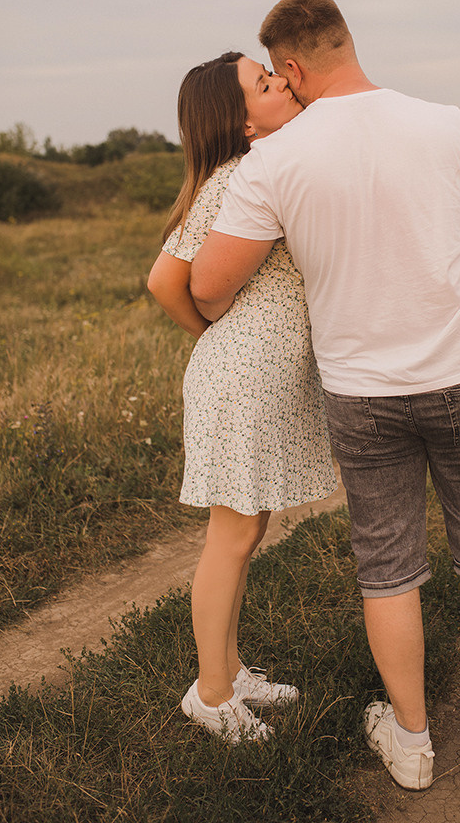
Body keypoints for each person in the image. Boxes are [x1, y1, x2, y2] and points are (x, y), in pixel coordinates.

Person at [190, 0, 460, 789]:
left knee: (386, 568)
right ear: (344, 43)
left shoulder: (275, 161)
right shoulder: (445, 123)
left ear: (289, 66)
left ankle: (412, 743)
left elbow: (210, 288)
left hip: (359, 390)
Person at [147, 52, 338, 745]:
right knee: (230, 539)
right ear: (240, 121)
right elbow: (166, 282)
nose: (281, 82)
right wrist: (224, 339)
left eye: (273, 75)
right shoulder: (236, 177)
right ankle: (212, 694)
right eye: (263, 83)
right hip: (241, 377)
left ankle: (227, 668)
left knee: (247, 529)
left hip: (258, 374)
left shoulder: (262, 168)